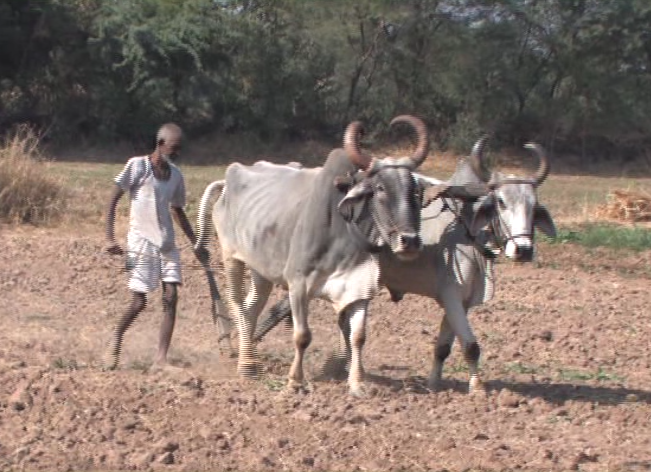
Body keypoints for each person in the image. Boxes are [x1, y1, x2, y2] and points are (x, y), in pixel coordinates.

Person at [103, 122, 208, 370]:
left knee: (171, 297)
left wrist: (197, 242)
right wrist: (110, 239)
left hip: (167, 244)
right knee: (139, 302)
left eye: (179, 149)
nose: (177, 153)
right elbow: (111, 202)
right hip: (140, 242)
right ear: (160, 144)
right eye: (174, 148)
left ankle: (160, 360)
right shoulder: (137, 166)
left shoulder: (176, 175)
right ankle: (116, 336)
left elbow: (178, 210)